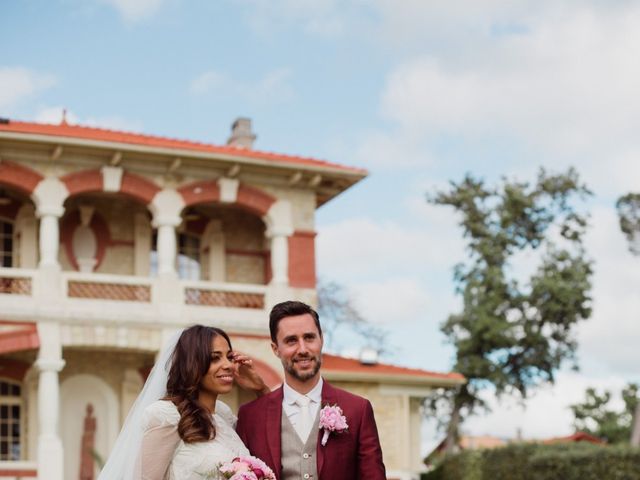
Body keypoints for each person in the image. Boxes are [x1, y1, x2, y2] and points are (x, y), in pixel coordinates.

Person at [236, 301, 387, 480]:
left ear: (321, 340)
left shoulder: (358, 410)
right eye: (291, 340)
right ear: (276, 349)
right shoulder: (250, 416)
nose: (303, 349)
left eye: (309, 338)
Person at [98, 325, 270, 480]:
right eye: (214, 358)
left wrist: (261, 390)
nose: (228, 365)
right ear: (193, 364)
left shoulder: (223, 414)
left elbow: (271, 439)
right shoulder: (166, 415)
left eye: (229, 357)